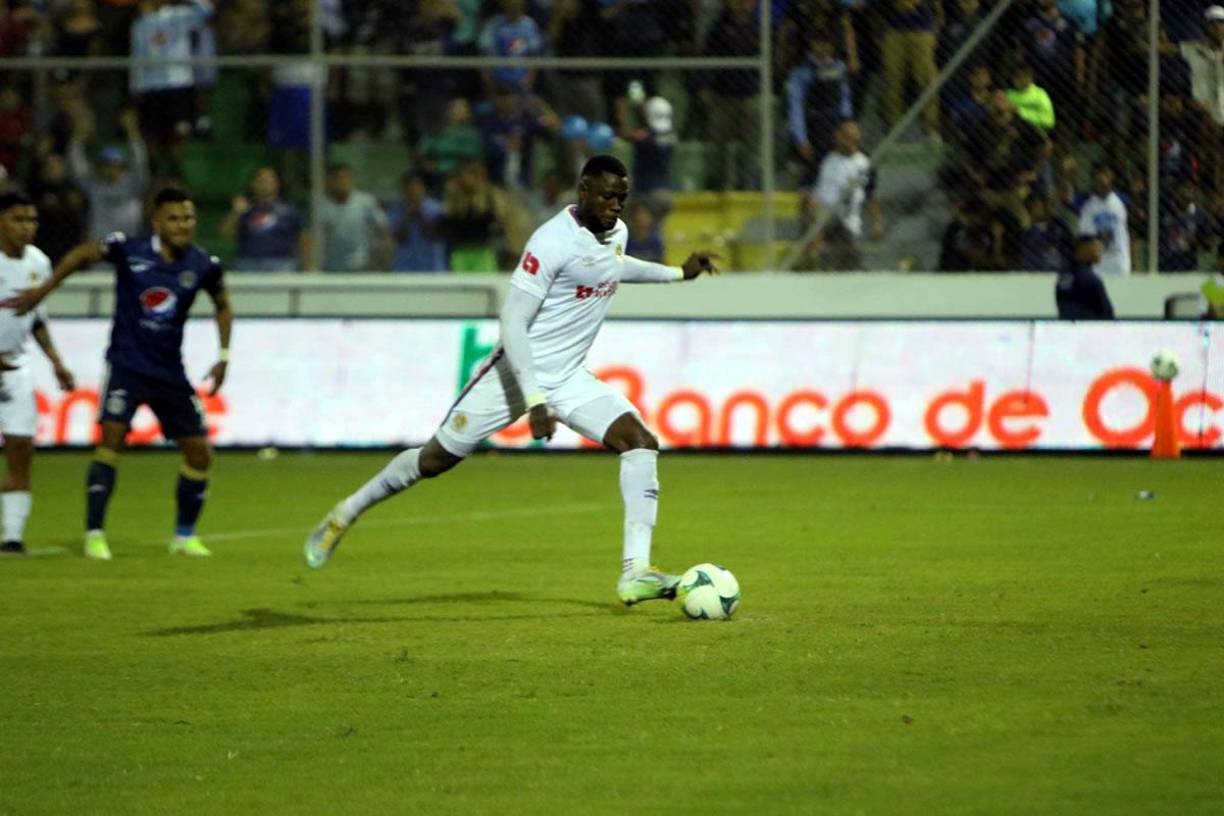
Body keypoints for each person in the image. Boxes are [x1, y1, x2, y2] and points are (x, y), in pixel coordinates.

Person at [303, 155, 719, 607]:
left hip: (569, 378)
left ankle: (636, 572)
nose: (616, 205)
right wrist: (534, 399)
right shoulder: (550, 242)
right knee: (435, 460)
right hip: (513, 377)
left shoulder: (614, 232)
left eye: (622, 196)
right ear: (583, 191)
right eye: (607, 195)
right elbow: (513, 324)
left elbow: (615, 265)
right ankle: (346, 512)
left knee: (639, 441)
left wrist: (679, 273)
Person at [11, 187, 232, 561]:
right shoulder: (129, 250)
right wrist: (44, 291)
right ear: (157, 222)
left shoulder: (202, 264)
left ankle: (184, 536)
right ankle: (95, 534)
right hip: (126, 366)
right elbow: (83, 253)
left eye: (189, 218)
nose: (183, 225)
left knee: (200, 454)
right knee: (111, 441)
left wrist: (223, 355)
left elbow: (223, 305)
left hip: (169, 373)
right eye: (174, 218)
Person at [0, 193, 76, 556]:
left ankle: (12, 536)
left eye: (32, 220)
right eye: (18, 220)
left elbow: (36, 319)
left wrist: (56, 361)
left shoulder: (39, 263)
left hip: (15, 366)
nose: (27, 228)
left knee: (20, 448)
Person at [803, 120, 884, 271]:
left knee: (844, 236)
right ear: (838, 136)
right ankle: (817, 256)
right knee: (818, 216)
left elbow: (871, 196)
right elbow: (806, 189)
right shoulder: (823, 159)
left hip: (849, 220)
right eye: (847, 136)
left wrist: (877, 223)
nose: (851, 141)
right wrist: (812, 203)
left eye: (854, 137)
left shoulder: (865, 163)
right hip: (822, 214)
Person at [221, 166, 309, 272]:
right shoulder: (244, 208)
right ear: (253, 184)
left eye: (269, 180)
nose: (265, 184)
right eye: (261, 180)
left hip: (281, 263)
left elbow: (303, 238)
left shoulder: (289, 210)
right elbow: (225, 233)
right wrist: (235, 213)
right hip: (248, 263)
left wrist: (306, 265)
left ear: (277, 183)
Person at [319, 163, 391, 272]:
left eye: (347, 178)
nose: (343, 182)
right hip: (333, 268)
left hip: (362, 266)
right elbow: (317, 237)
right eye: (339, 178)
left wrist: (383, 256)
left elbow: (382, 229)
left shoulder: (366, 202)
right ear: (331, 182)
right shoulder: (324, 207)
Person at [1075, 162, 1131, 275]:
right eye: (1099, 176)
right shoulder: (1085, 201)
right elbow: (1066, 197)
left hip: (1119, 263)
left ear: (1112, 177)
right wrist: (1069, 176)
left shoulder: (1122, 200)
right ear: (1093, 179)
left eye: (1106, 175)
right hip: (1096, 265)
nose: (1103, 179)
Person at [386, 171, 447, 273]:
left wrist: (421, 215)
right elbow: (397, 238)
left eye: (416, 187)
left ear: (423, 188)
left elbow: (436, 236)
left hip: (432, 266)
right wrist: (408, 217)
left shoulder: (437, 209)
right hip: (405, 268)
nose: (413, 192)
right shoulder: (395, 211)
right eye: (409, 188)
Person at [1056, 234, 1115, 318]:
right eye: (1095, 247)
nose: (1100, 251)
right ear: (1081, 249)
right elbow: (1106, 312)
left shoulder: (1065, 275)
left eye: (1100, 248)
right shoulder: (1088, 278)